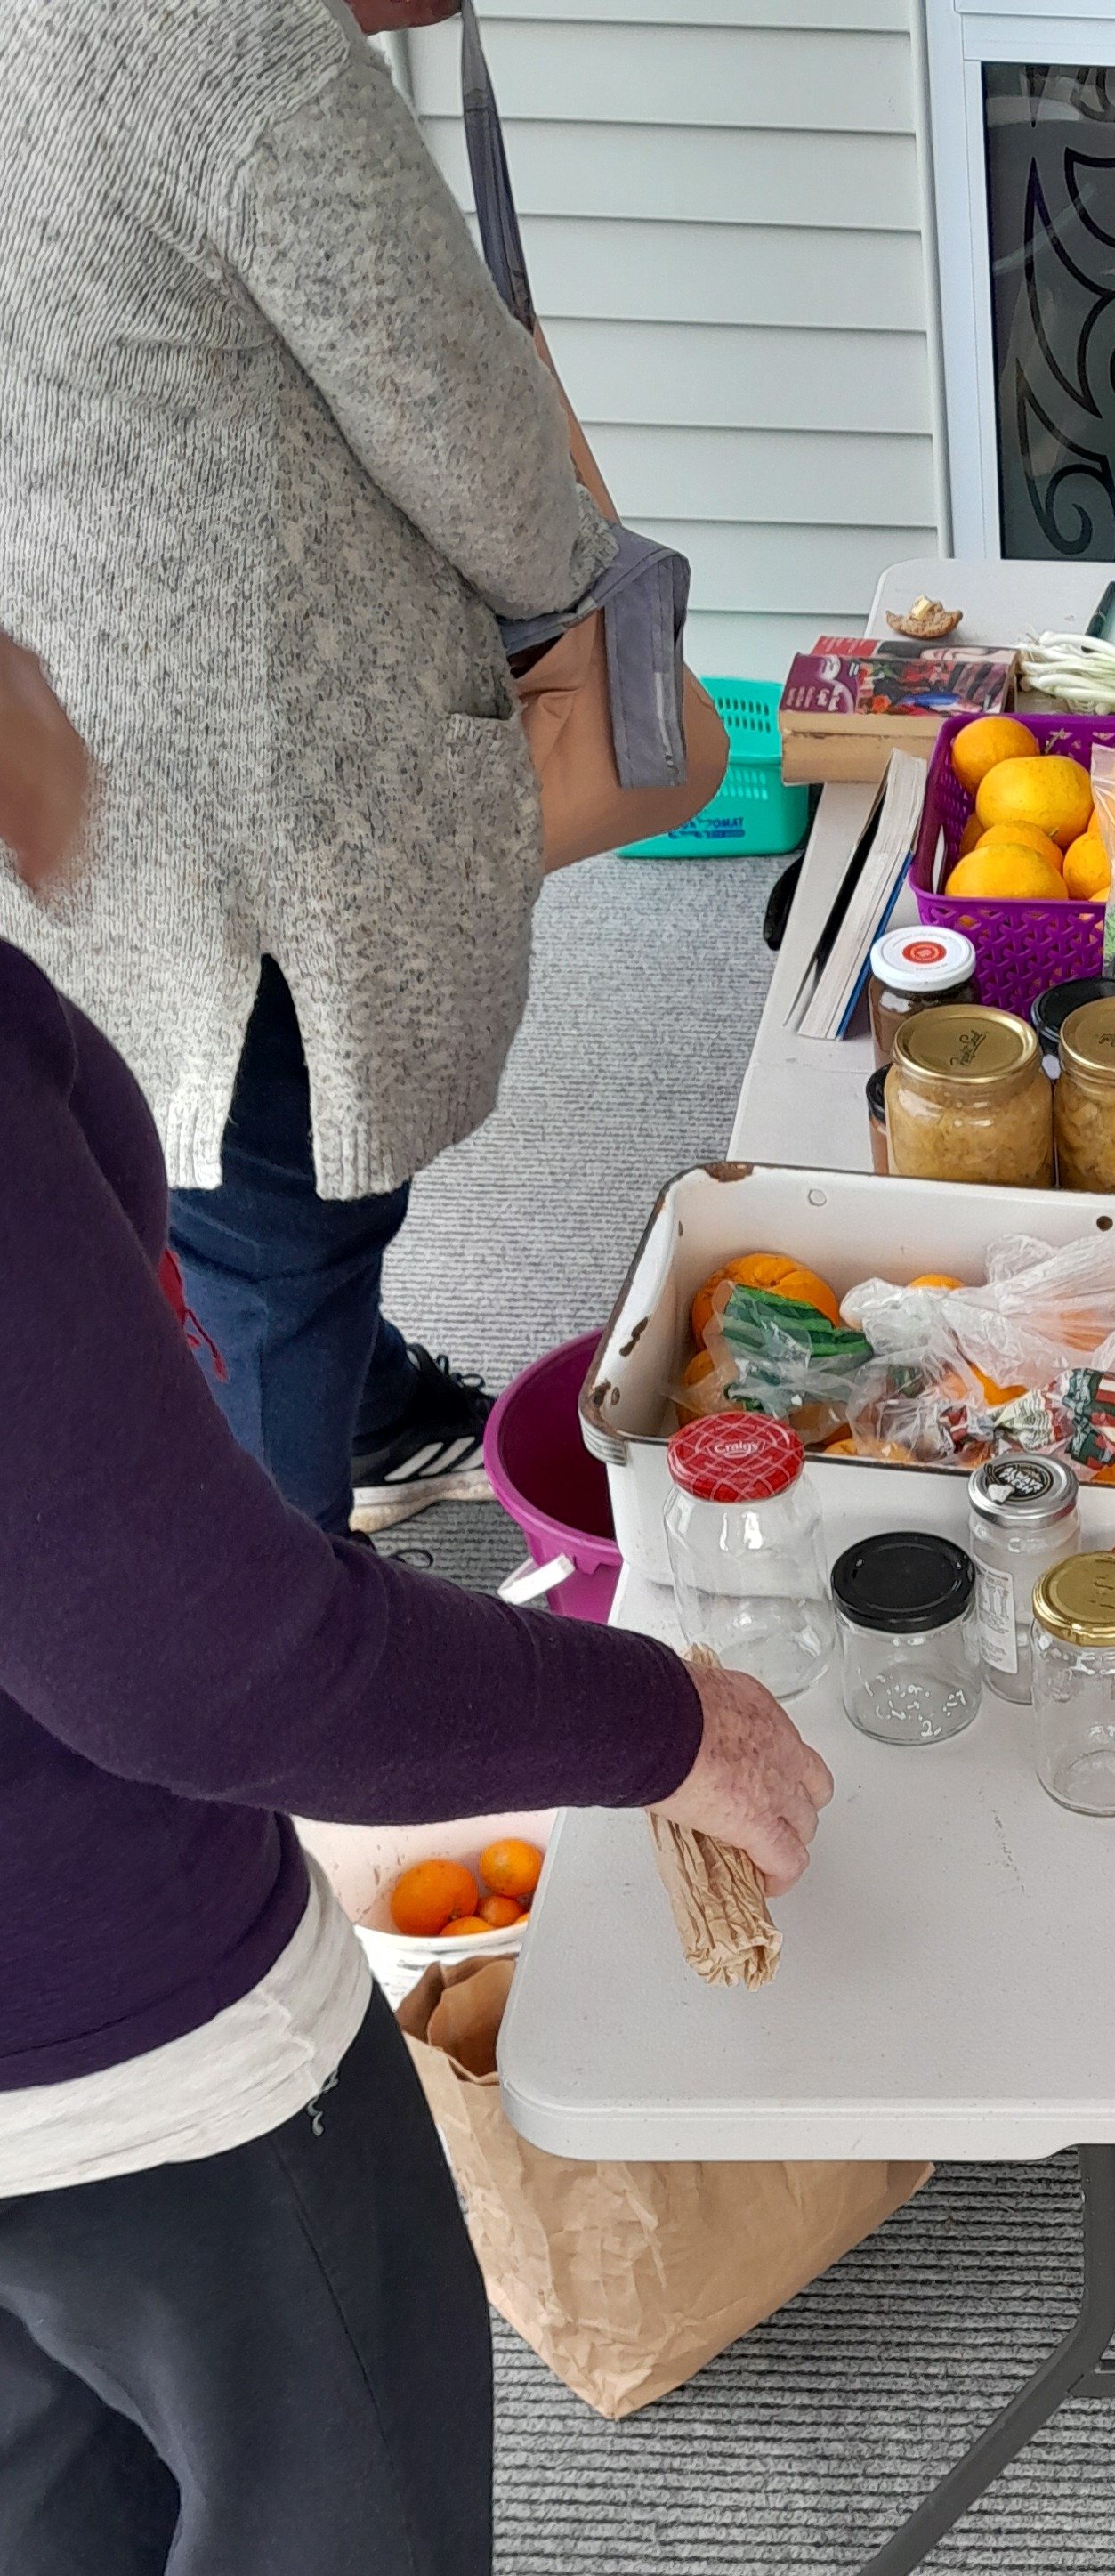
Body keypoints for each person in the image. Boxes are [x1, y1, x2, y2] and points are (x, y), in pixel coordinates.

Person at [0, 638, 834, 2576]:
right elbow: (203, 1658)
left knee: (45, 2424)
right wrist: (648, 1715)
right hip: (104, 2001)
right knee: (316, 2432)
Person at [0, 0, 606, 1535]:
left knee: (153, 1182)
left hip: (70, 777)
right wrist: (581, 561)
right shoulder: (243, 54)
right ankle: (284, 1684)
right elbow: (500, 483)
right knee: (277, 1236)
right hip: (260, 830)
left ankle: (368, 1407)